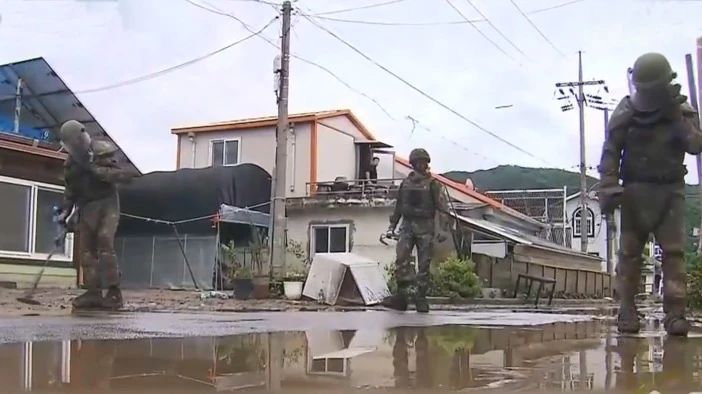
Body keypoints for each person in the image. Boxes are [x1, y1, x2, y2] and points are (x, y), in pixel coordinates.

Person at [597, 52, 702, 336]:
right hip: (634, 191)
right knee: (629, 254)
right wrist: (608, 184)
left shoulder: (682, 111)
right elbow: (611, 152)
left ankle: (676, 312)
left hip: (670, 191)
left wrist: (678, 117)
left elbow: (695, 145)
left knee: (674, 254)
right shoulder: (627, 111)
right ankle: (627, 308)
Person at [58, 120, 137, 310]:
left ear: (82, 138)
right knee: (86, 249)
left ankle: (113, 292)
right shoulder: (71, 165)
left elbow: (126, 176)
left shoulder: (103, 150)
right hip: (87, 207)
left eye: (77, 142)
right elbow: (70, 191)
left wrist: (97, 170)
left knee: (104, 241)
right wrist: (65, 213)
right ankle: (92, 292)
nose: (76, 147)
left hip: (108, 204)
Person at [382, 148, 450, 313]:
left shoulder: (433, 184)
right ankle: (401, 296)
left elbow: (443, 209)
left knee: (424, 265)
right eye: (418, 162)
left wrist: (442, 229)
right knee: (401, 260)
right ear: (413, 164)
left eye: (424, 162)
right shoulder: (405, 184)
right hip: (407, 226)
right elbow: (398, 207)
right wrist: (392, 226)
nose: (421, 165)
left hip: (425, 227)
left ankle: (421, 297)